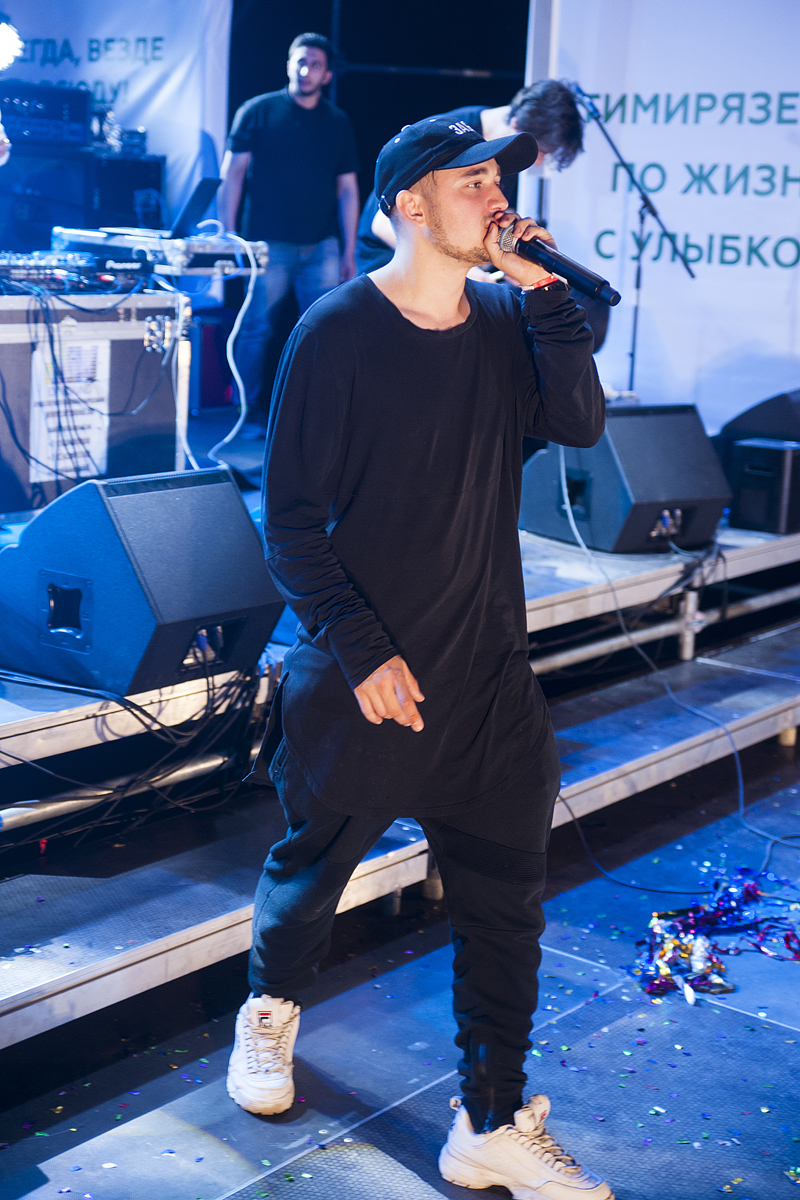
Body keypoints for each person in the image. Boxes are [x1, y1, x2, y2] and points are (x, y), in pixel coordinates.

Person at [227, 116, 612, 1199]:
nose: (495, 198)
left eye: (497, 181)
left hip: (488, 678)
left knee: (505, 908)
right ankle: (268, 1010)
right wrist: (360, 653)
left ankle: (489, 1116)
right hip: (370, 678)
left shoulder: (510, 319)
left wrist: (544, 293)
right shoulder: (338, 330)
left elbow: (579, 423)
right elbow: (288, 523)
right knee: (312, 872)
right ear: (407, 203)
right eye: (470, 181)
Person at [219, 32, 360, 418]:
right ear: (288, 65)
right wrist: (228, 233)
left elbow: (348, 189)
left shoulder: (337, 122)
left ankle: (315, 413)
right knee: (255, 329)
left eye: (315, 65)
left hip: (322, 244)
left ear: (327, 75)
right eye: (300, 62)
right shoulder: (258, 111)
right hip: (268, 243)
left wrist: (348, 250)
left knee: (324, 329)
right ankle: (242, 413)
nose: (305, 70)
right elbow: (233, 174)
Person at [355, 80, 583, 275]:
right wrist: (467, 271)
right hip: (387, 264)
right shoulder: (448, 135)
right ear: (516, 124)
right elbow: (383, 223)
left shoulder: (503, 154)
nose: (539, 162)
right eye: (542, 151)